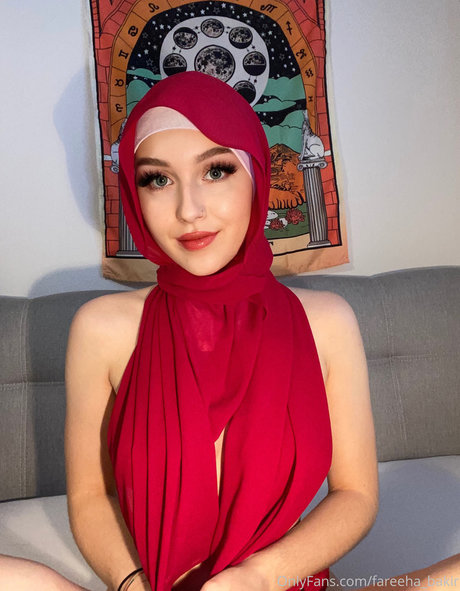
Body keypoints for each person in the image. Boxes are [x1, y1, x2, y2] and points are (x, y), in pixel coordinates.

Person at [0, 72, 458, 591]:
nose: (188, 210)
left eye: (216, 171)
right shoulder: (102, 329)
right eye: (157, 180)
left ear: (256, 175)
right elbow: (90, 495)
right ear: (133, 192)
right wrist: (133, 584)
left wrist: (258, 578)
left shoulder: (327, 322)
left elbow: (355, 495)